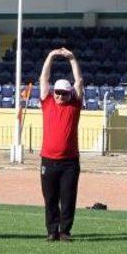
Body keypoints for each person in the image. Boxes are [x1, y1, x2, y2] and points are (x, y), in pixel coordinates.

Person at [38, 48, 84, 242]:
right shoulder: (47, 102)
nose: (60, 96)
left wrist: (72, 59)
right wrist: (50, 56)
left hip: (69, 162)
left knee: (68, 197)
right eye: (57, 92)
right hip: (48, 160)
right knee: (50, 198)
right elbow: (44, 78)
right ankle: (51, 231)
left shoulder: (75, 105)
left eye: (64, 93)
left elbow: (79, 81)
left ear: (69, 93)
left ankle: (65, 231)